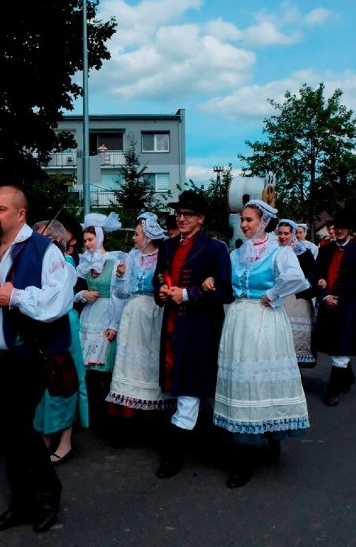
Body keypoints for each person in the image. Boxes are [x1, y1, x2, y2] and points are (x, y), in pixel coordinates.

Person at [0, 185, 73, 533]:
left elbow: (60, 300)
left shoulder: (44, 250)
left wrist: (17, 296)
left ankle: (49, 491)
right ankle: (22, 503)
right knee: (7, 432)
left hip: (28, 357)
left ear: (20, 214)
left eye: (1, 209)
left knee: (19, 427)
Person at [211, 201, 310, 488]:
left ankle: (270, 435)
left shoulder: (279, 252)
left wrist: (273, 293)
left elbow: (296, 278)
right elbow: (224, 283)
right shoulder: (235, 253)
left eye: (250, 220)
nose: (244, 225)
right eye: (242, 220)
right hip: (239, 319)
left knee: (262, 381)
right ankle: (242, 452)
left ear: (263, 222)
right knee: (242, 381)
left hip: (265, 320)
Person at [152, 190, 233, 479]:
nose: (181, 218)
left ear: (201, 219)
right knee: (182, 386)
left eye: (188, 214)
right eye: (179, 213)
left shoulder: (215, 249)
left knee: (191, 388)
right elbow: (158, 277)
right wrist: (161, 292)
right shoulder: (166, 246)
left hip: (200, 328)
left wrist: (187, 294)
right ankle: (206, 440)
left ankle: (173, 454)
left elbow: (225, 291)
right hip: (173, 326)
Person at [105, 212, 174, 446]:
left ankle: (153, 423)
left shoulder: (163, 256)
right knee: (130, 366)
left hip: (156, 312)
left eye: (136, 234)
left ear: (148, 236)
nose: (134, 238)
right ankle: (127, 424)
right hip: (134, 313)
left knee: (152, 365)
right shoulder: (131, 257)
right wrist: (122, 276)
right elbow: (121, 293)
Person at [32, 218, 88, 466]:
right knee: (47, 383)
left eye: (38, 237)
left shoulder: (65, 264)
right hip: (46, 329)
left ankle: (65, 440)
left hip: (64, 326)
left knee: (66, 380)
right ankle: (46, 434)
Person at [313, 212, 356, 406]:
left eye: (343, 228)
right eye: (336, 227)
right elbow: (317, 275)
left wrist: (340, 298)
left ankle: (333, 390)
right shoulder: (325, 249)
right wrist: (324, 295)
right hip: (328, 301)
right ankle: (348, 376)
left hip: (349, 304)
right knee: (333, 345)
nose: (338, 230)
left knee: (341, 344)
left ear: (350, 230)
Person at [75, 212, 124, 436]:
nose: (87, 244)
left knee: (105, 371)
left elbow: (118, 295)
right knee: (88, 373)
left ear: (101, 238)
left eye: (90, 239)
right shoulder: (84, 263)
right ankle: (93, 416)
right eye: (85, 240)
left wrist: (114, 324)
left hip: (106, 315)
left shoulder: (114, 261)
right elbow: (72, 291)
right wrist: (83, 294)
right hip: (89, 315)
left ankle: (110, 420)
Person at [276, 219, 318, 367]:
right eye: (280, 233)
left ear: (293, 234)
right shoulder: (273, 250)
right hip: (277, 297)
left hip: (297, 298)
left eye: (286, 233)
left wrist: (309, 291)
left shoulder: (303, 252)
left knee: (295, 336)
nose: (282, 237)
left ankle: (296, 374)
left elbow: (313, 274)